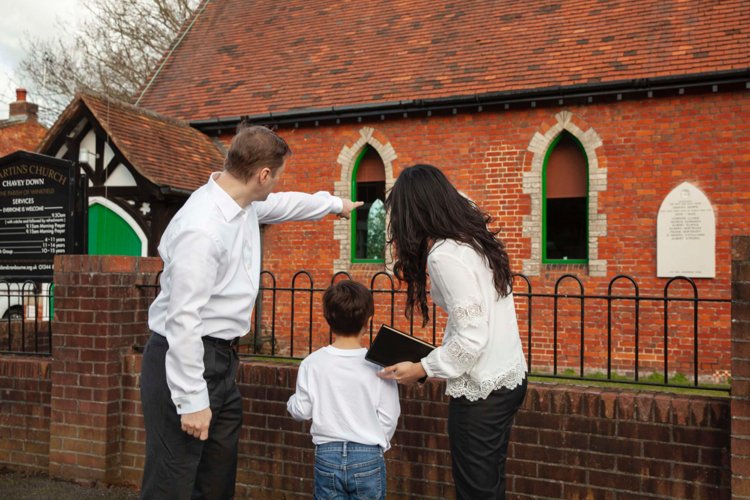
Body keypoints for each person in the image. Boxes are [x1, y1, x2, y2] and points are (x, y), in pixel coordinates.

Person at [140, 124, 362, 500]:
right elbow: (183, 321)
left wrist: (334, 204)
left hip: (222, 361)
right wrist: (192, 399)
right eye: (276, 177)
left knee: (216, 482)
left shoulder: (244, 202)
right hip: (184, 361)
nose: (276, 184)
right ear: (263, 175)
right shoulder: (203, 228)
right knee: (172, 483)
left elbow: (287, 203)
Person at [378, 164, 528, 500]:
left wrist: (421, 368)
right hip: (508, 375)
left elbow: (472, 338)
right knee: (489, 486)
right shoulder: (471, 233)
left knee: (476, 492)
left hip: (482, 391)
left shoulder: (445, 256)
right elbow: (460, 198)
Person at [287, 280, 400, 500]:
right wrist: (375, 442)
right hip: (368, 452)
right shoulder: (379, 365)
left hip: (327, 454)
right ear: (368, 321)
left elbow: (301, 410)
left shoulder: (312, 363)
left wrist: (291, 402)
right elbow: (390, 416)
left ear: (328, 318)